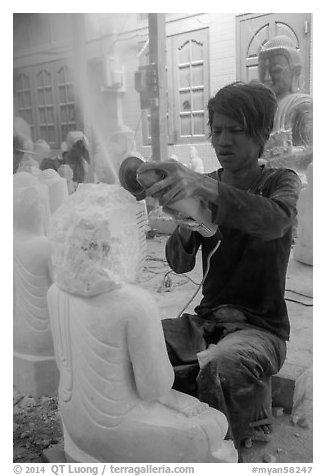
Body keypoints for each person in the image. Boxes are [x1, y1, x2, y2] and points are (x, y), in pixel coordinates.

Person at [137, 81, 302, 459]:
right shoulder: (206, 185)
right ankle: (228, 400)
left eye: (236, 130)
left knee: (223, 364)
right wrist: (185, 220)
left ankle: (229, 436)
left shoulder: (280, 182)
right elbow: (180, 265)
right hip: (207, 323)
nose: (223, 140)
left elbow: (275, 222)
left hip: (260, 331)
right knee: (140, 340)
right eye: (218, 129)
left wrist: (203, 189)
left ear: (261, 134)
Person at [258, 35, 313, 148]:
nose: (267, 77)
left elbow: (311, 153)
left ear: (296, 72)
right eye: (263, 71)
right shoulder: (259, 108)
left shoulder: (303, 106)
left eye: (276, 70)